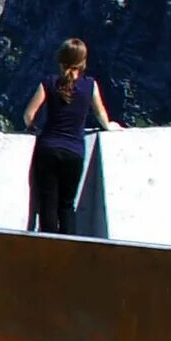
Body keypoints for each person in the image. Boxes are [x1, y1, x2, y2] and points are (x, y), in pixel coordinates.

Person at [22, 37, 117, 234]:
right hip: (74, 152)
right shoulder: (90, 85)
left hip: (47, 149)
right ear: (83, 62)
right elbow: (101, 114)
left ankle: (47, 249)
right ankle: (69, 249)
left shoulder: (49, 83)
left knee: (47, 203)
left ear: (60, 59)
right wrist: (109, 126)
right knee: (66, 205)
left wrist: (33, 128)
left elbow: (28, 115)